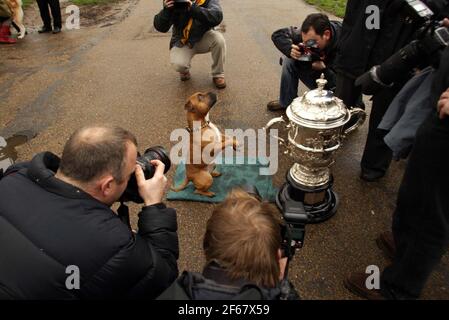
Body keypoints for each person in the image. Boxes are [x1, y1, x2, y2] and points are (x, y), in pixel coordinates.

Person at [0, 125, 179, 299]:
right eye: (131, 172)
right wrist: (153, 205)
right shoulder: (115, 245)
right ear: (107, 186)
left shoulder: (14, 176)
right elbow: (163, 275)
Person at [344, 44, 449, 300]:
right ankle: (405, 247)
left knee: (431, 211)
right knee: (415, 193)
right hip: (439, 104)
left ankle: (398, 289)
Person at [334, 0, 449, 181]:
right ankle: (330, 142)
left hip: (396, 57)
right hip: (356, 48)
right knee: (339, 105)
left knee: (384, 113)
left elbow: (439, 13)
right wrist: (345, 41)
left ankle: (374, 164)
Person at [158, 188, 299, 300]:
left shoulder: (175, 292)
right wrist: (282, 288)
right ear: (277, 256)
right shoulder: (283, 295)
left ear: (206, 247)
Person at [267, 13, 356, 112]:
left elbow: (348, 81)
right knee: (289, 60)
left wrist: (324, 69)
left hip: (338, 85)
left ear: (327, 35)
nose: (307, 46)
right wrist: (289, 49)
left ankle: (333, 111)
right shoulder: (309, 33)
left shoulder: (346, 42)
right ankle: (287, 103)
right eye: (305, 42)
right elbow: (278, 35)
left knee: (342, 104)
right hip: (317, 70)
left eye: (311, 42)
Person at [153, 0, 226, 89]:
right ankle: (184, 71)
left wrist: (193, 8)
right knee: (179, 64)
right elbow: (161, 27)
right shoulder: (173, 1)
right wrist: (166, 11)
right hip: (183, 40)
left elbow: (217, 16)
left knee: (219, 40)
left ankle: (218, 74)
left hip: (203, 37)